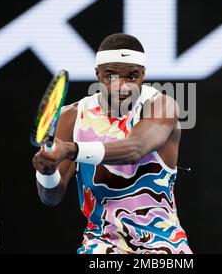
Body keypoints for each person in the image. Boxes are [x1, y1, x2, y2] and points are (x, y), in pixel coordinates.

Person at [32, 33, 192, 254]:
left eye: (132, 76)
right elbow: (51, 197)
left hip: (164, 245)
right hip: (101, 244)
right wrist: (47, 172)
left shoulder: (163, 106)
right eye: (111, 76)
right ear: (97, 74)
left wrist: (70, 150)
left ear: (144, 75)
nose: (122, 86)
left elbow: (135, 148)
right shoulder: (71, 117)